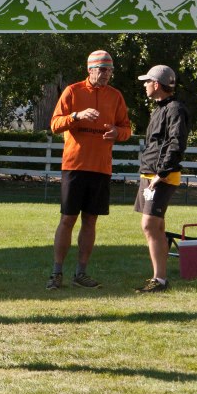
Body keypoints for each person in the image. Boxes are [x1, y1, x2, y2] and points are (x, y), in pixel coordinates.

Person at [46, 50, 132, 290]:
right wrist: (76, 115)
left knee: (91, 220)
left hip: (101, 168)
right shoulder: (73, 91)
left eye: (110, 70)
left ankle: (81, 273)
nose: (107, 75)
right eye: (103, 70)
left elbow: (126, 129)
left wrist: (117, 133)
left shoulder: (115, 96)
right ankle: (56, 273)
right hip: (75, 165)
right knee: (68, 219)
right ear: (90, 69)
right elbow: (54, 124)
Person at [135, 65, 189, 293]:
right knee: (156, 226)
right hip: (150, 174)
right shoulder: (159, 109)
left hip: (161, 177)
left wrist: (161, 174)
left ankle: (160, 280)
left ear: (156, 84)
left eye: (147, 82)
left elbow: (176, 143)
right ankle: (160, 278)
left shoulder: (175, 109)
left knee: (149, 225)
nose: (145, 85)